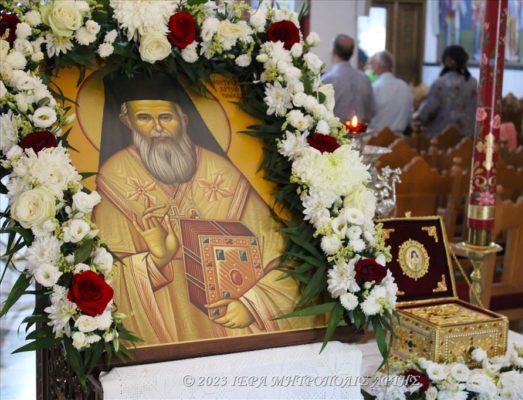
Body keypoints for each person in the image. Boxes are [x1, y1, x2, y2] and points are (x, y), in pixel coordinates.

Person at [93, 72, 314, 345]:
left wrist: (251, 304)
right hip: (167, 329)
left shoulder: (222, 171)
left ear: (184, 120)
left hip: (233, 326)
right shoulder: (115, 176)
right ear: (127, 121)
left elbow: (280, 253)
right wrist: (156, 260)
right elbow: (106, 274)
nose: (157, 128)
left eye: (166, 117)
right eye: (144, 118)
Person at [413, 45, 478, 137]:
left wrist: (412, 118)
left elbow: (425, 114)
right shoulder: (474, 84)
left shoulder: (440, 84)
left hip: (440, 140)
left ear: (445, 62)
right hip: (468, 140)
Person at [322, 34, 375, 122]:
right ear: (352, 53)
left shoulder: (327, 80)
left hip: (336, 130)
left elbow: (321, 113)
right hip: (360, 129)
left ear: (333, 51)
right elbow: (371, 111)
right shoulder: (364, 78)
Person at [368, 51, 413, 134]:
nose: (371, 69)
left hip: (376, 137)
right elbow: (410, 115)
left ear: (379, 66)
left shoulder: (375, 87)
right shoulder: (404, 86)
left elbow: (368, 115)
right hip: (399, 138)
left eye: (372, 65)